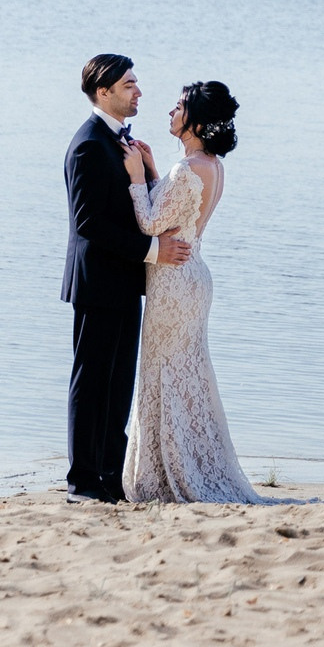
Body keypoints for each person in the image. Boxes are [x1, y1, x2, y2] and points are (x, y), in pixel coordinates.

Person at [121, 80, 281, 503]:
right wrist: (153, 171)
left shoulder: (188, 169)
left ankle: (169, 474)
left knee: (164, 373)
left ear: (196, 120)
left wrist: (136, 178)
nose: (170, 112)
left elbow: (151, 224)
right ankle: (186, 464)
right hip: (193, 276)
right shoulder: (210, 165)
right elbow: (178, 214)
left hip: (173, 280)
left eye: (178, 106)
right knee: (185, 374)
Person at [60, 54, 193, 504]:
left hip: (124, 282)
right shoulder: (88, 145)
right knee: (91, 382)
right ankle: (82, 483)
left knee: (118, 387)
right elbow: (89, 223)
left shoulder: (122, 141)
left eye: (136, 83)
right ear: (104, 92)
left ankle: (111, 477)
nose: (138, 91)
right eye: (129, 84)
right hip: (97, 283)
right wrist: (154, 251)